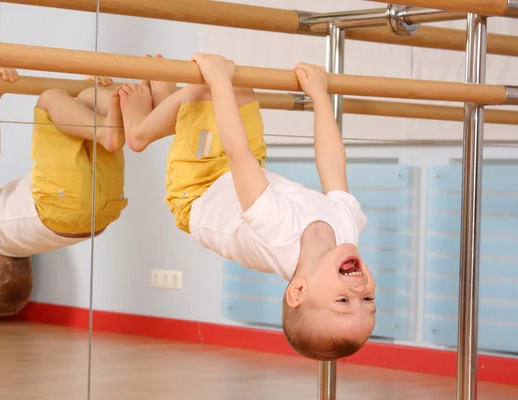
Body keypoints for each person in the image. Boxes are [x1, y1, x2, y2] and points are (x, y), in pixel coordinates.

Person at [119, 53, 376, 361]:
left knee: (207, 90)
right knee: (241, 90)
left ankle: (139, 131)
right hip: (245, 171)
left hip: (198, 189)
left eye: (343, 301)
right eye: (369, 299)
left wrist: (218, 79)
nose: (359, 290)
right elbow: (332, 163)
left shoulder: (277, 233)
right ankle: (166, 103)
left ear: (298, 291)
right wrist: (320, 95)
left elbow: (237, 151)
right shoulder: (347, 229)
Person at [0, 67, 128, 317]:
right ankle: (106, 121)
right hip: (57, 207)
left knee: (86, 101)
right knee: (49, 100)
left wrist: (90, 91)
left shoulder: (27, 240)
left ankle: (122, 99)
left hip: (101, 216)